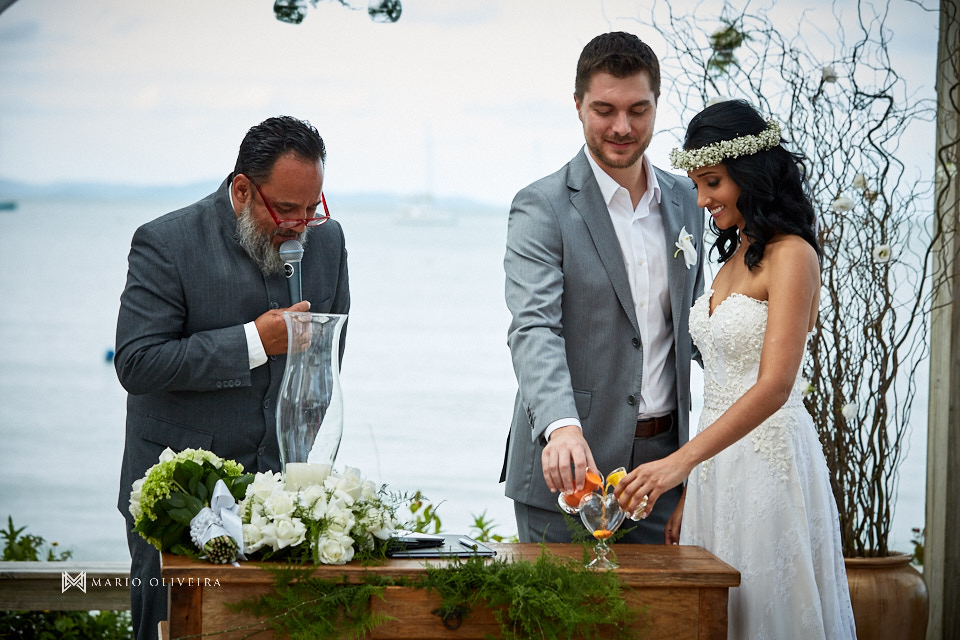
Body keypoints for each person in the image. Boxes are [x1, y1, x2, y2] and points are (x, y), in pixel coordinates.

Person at [614, 99, 856, 638]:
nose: (701, 200)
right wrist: (693, 484)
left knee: (767, 611)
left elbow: (773, 387)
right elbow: (719, 384)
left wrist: (677, 464)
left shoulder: (793, 254)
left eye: (713, 183)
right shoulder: (732, 259)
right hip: (716, 466)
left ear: (750, 173)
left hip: (769, 465)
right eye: (697, 185)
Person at [114, 115, 350, 640]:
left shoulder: (328, 242)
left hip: (287, 500)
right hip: (178, 500)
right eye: (286, 210)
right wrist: (251, 344)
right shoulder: (166, 242)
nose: (300, 225)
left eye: (313, 209)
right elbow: (136, 362)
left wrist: (307, 481)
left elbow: (327, 368)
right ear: (242, 189)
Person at [502, 31, 705, 544]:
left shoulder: (687, 198)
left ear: (657, 105)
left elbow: (700, 324)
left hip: (665, 475)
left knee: (664, 623)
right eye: (604, 109)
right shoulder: (541, 206)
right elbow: (533, 326)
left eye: (639, 109)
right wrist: (561, 426)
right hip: (569, 470)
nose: (622, 127)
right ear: (577, 106)